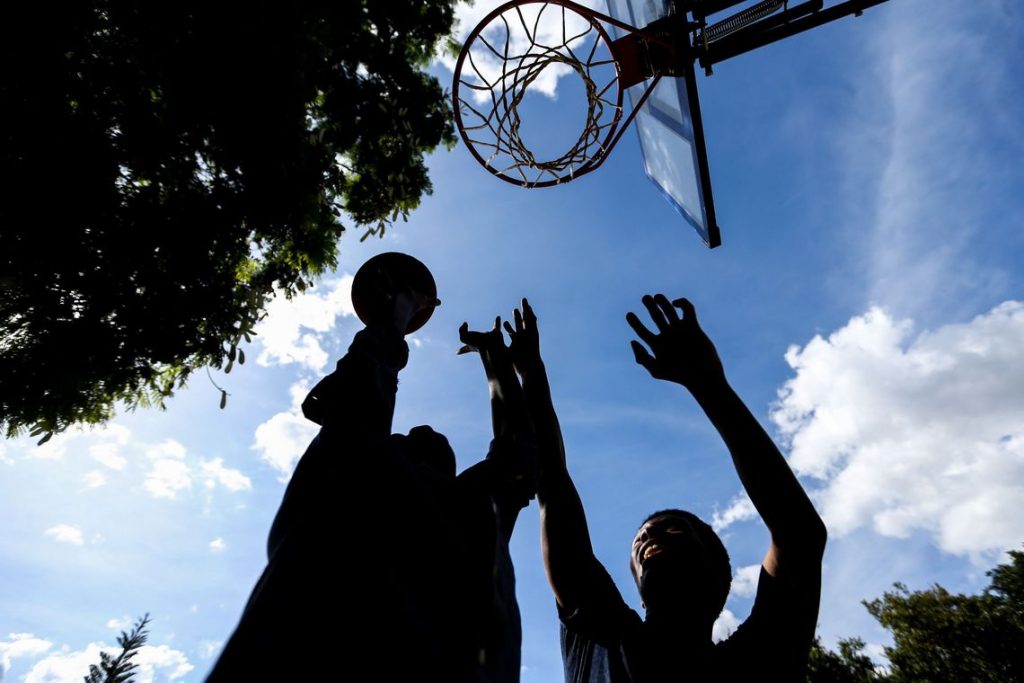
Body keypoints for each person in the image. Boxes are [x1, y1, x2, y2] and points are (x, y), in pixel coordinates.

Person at [206, 277, 535, 683]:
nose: (419, 431)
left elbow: (517, 450)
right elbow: (366, 382)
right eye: (407, 437)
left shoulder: (467, 509)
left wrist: (489, 355)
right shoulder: (357, 473)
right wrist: (397, 318)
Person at [503, 295, 826, 682]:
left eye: (674, 528)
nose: (647, 536)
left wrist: (709, 384)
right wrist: (530, 372)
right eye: (640, 538)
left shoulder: (755, 661)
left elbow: (800, 535)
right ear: (639, 590)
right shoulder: (601, 638)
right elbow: (552, 482)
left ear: (718, 577)